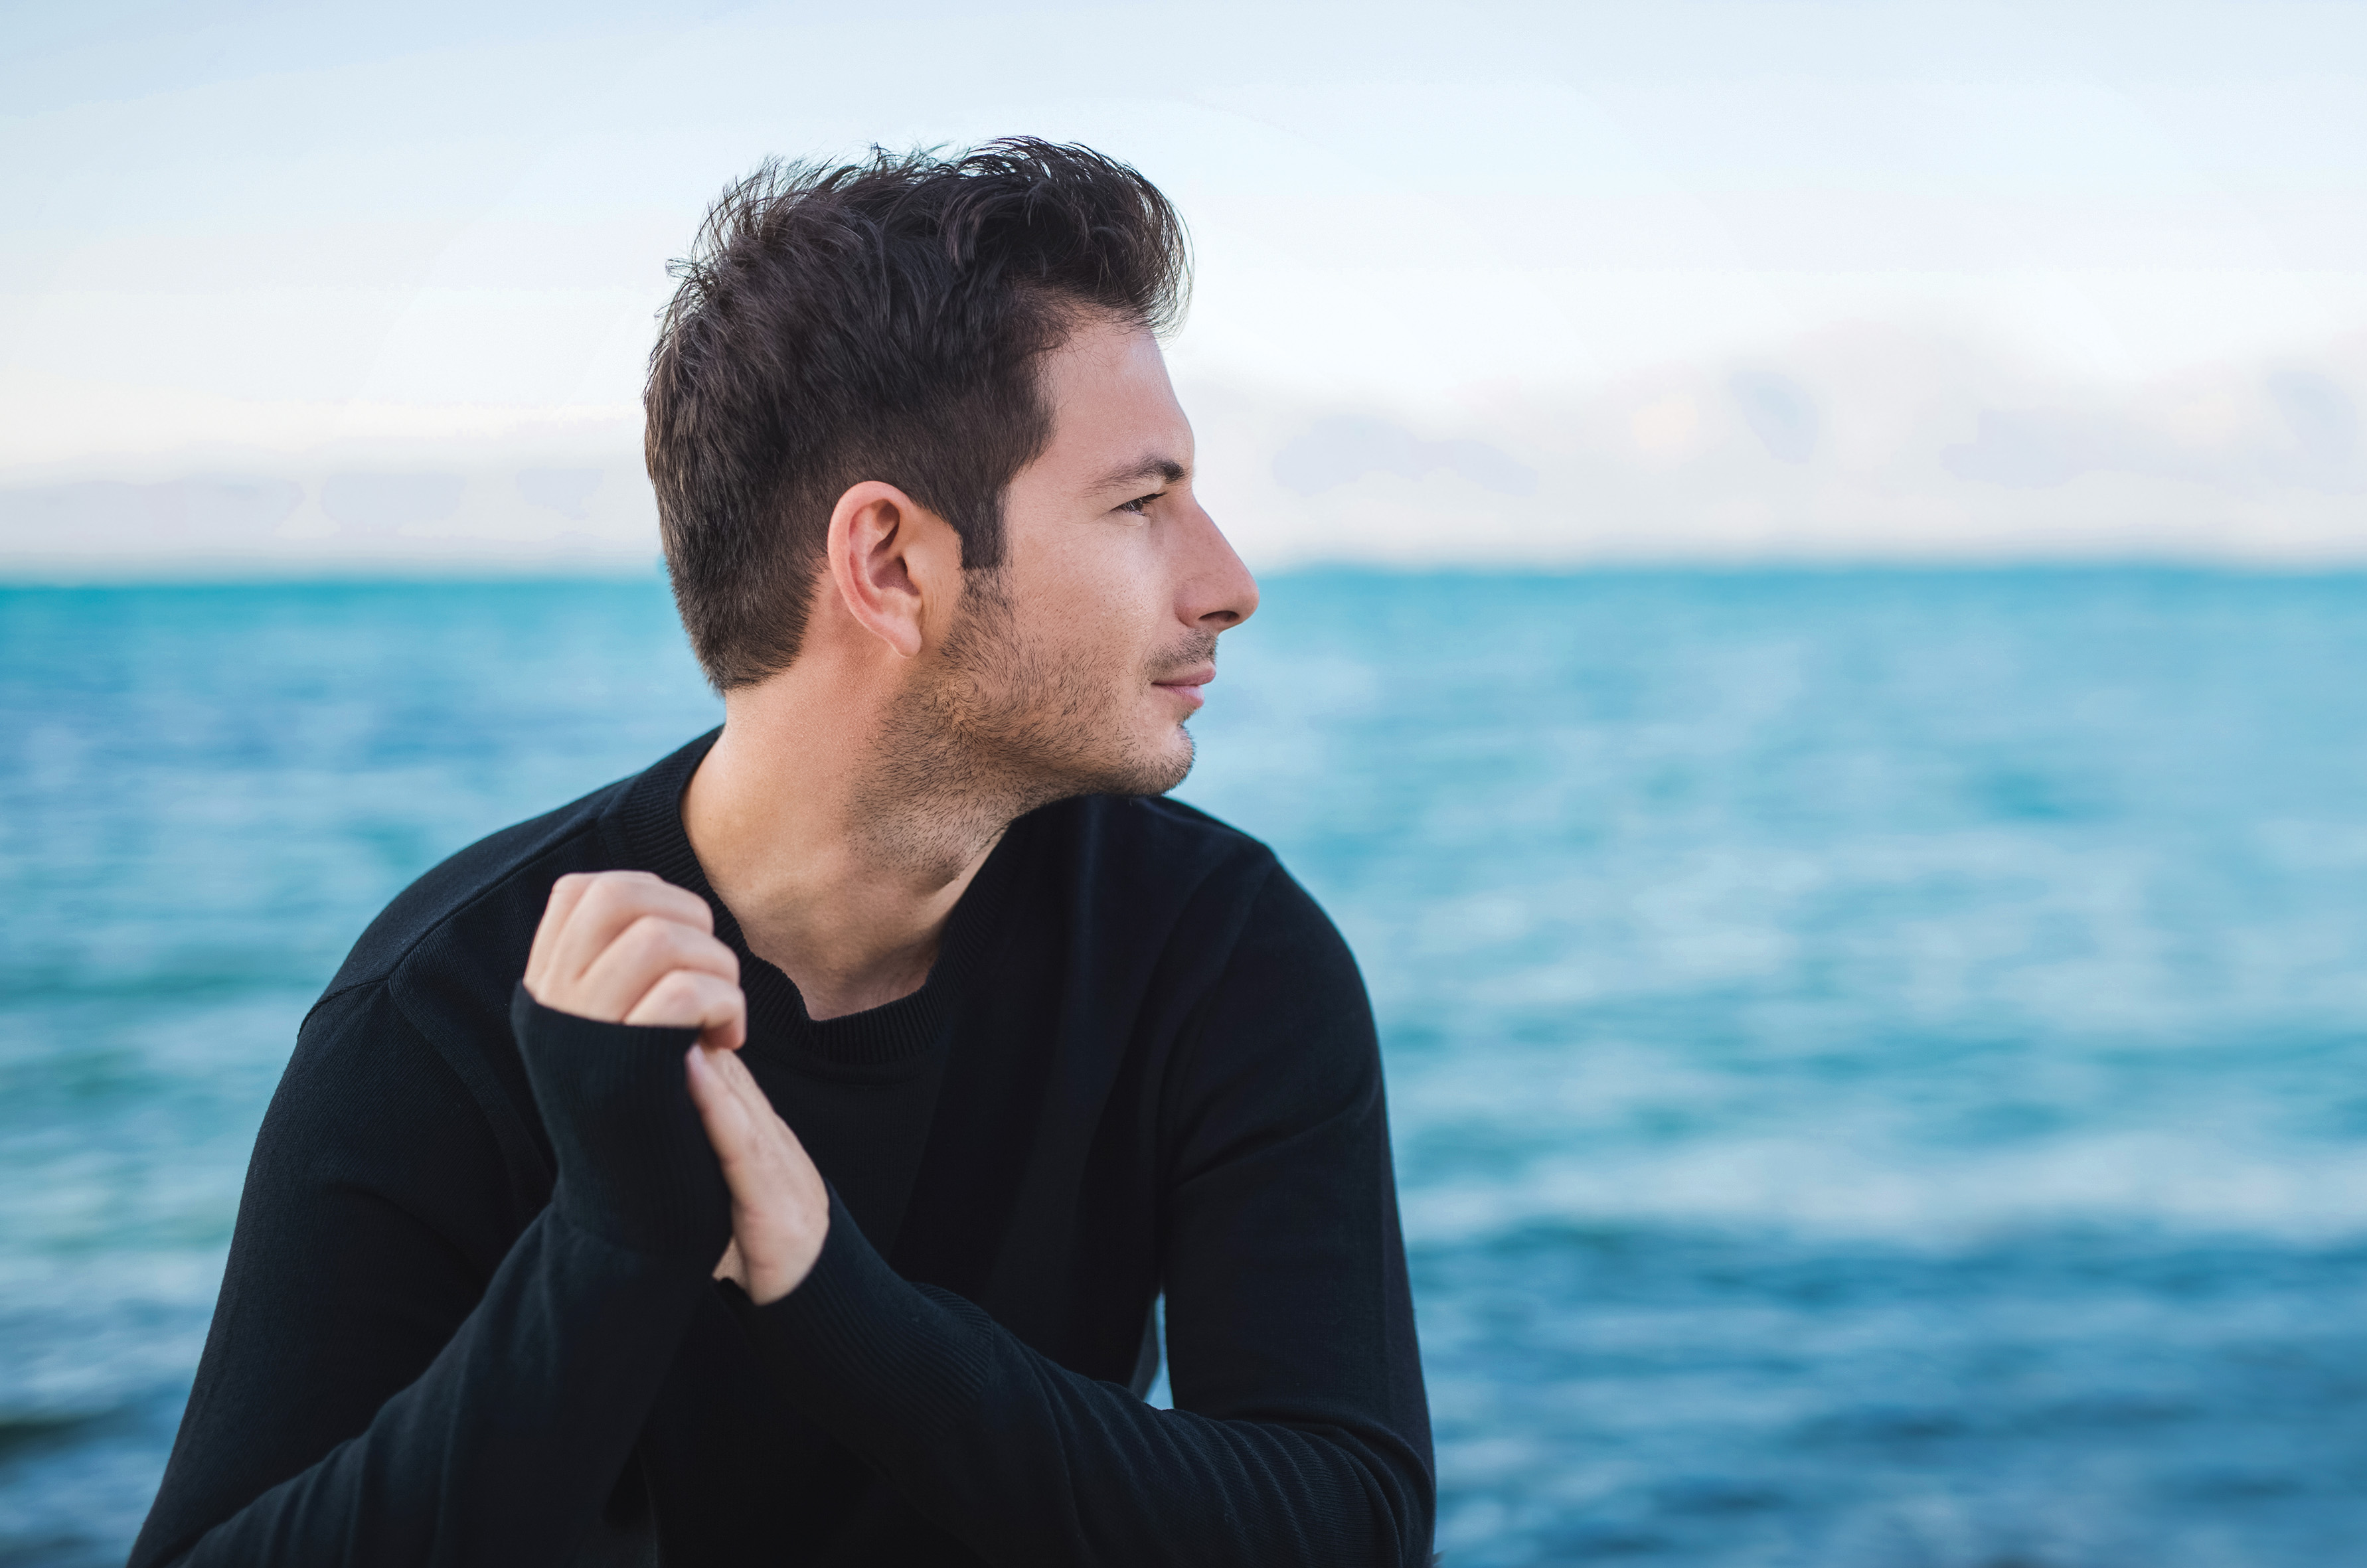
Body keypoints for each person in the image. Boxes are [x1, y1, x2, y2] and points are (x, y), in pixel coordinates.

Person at [126, 139, 1432, 1567]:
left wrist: (829, 1297)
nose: (1228, 582)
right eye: (1140, 503)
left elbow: (1348, 1522)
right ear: (890, 563)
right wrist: (610, 1248)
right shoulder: (446, 1010)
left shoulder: (1219, 946)